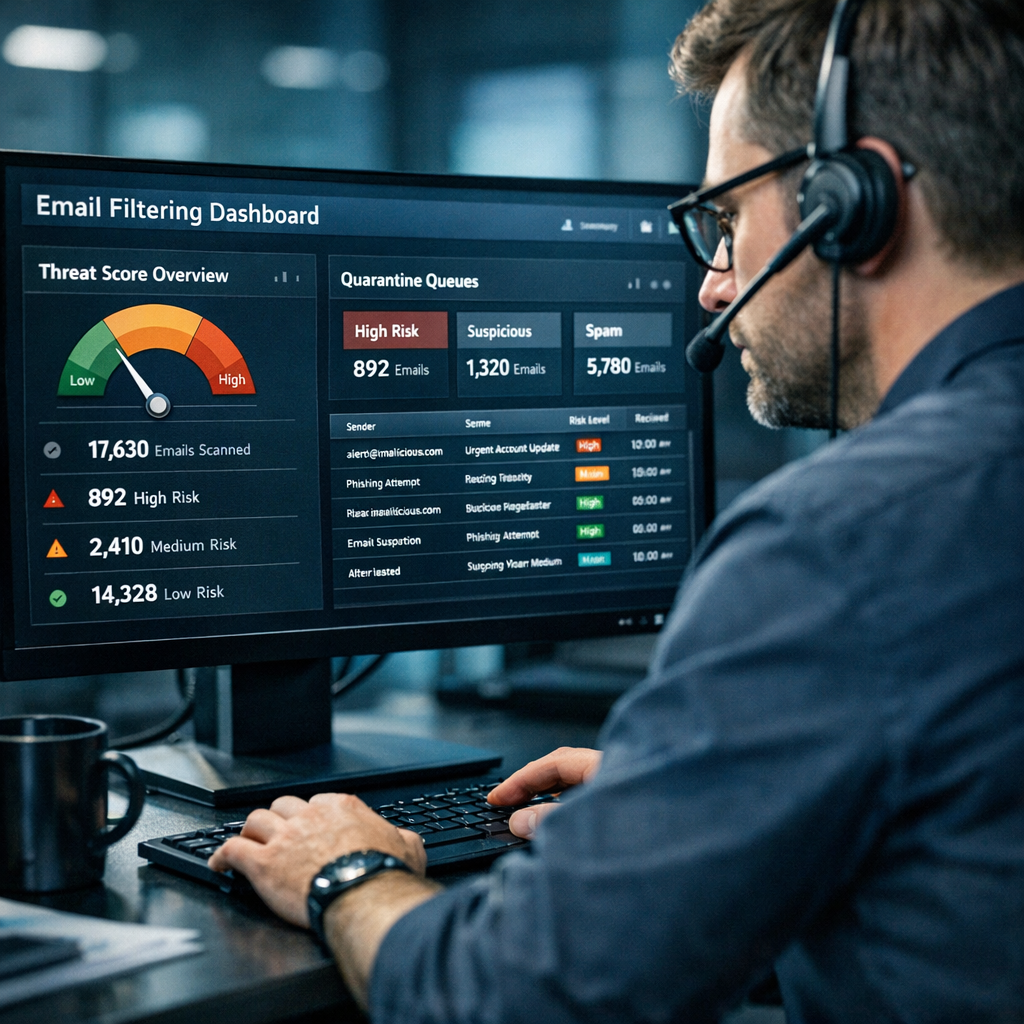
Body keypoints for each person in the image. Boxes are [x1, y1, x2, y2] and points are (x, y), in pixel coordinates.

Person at [210, 1, 1024, 1020]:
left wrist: (344, 872)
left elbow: (509, 997)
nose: (712, 288)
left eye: (727, 221)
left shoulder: (841, 539)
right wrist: (706, 817)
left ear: (852, 202)